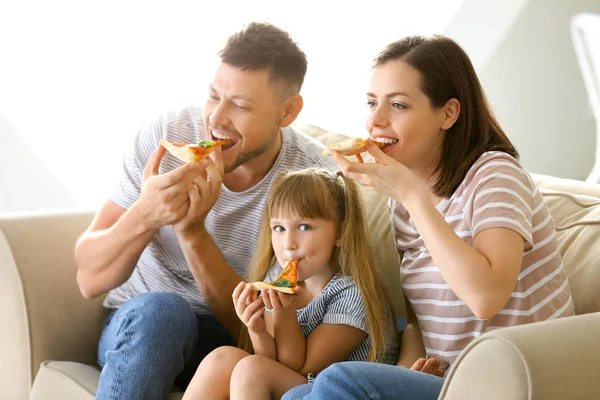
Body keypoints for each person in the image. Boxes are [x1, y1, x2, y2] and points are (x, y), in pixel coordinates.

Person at [283, 35, 575, 400]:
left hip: (514, 384)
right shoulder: (403, 202)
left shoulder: (495, 174)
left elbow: (486, 297)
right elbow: (417, 324)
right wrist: (407, 369)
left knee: (338, 380)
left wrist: (411, 195)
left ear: (448, 113)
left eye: (399, 105)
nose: (376, 120)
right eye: (372, 103)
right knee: (296, 396)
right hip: (445, 383)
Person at [74, 22, 338, 399]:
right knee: (163, 312)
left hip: (235, 339)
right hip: (140, 327)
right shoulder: (166, 137)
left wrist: (192, 231)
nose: (215, 119)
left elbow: (259, 330)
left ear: (287, 111)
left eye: (241, 105)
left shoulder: (312, 181)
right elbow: (88, 278)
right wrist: (148, 212)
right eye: (214, 96)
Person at [182, 168, 399, 400]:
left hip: (337, 392)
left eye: (304, 227)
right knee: (222, 358)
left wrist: (284, 311)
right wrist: (256, 328)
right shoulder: (276, 276)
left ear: (341, 231)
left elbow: (303, 370)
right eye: (279, 228)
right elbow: (269, 361)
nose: (289, 244)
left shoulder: (352, 296)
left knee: (251, 371)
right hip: (291, 382)